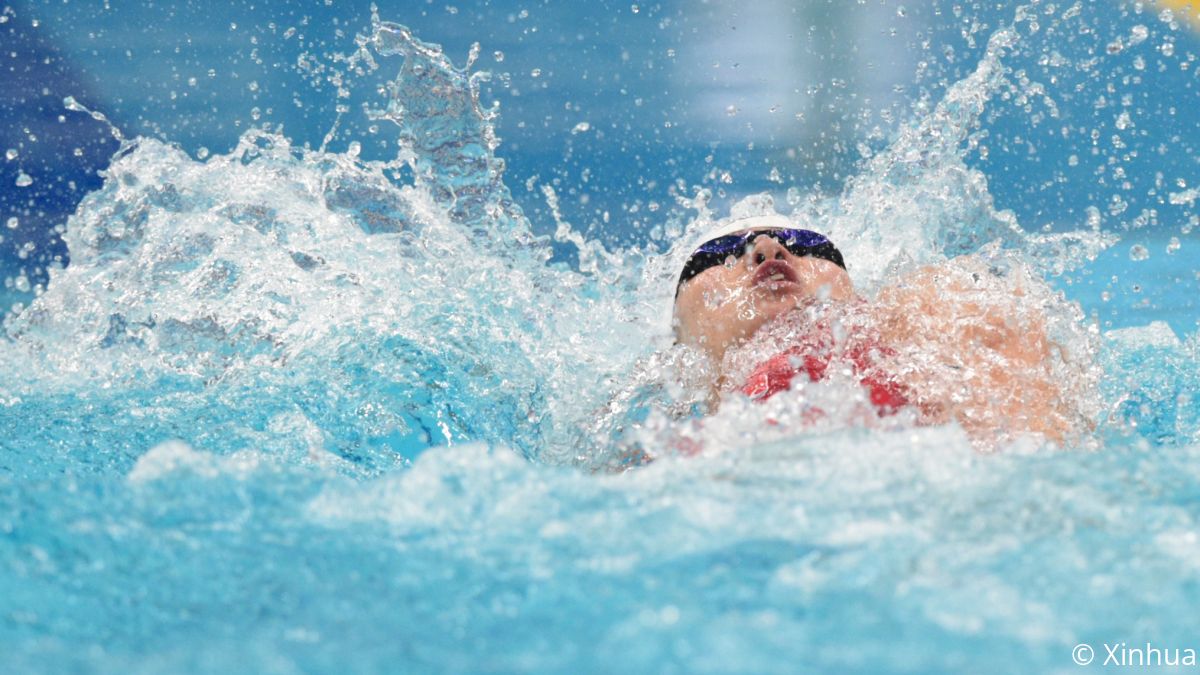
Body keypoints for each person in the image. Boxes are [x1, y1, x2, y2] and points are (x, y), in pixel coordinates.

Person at [670, 213, 1097, 445]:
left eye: (806, 245)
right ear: (677, 334)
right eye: (718, 255)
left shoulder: (933, 343)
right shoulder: (657, 445)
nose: (769, 249)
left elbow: (1040, 459)